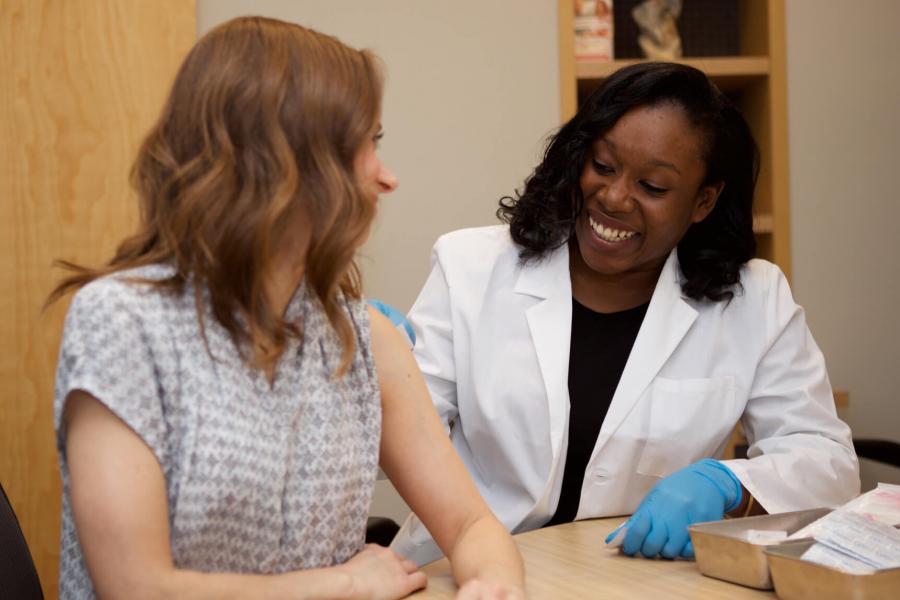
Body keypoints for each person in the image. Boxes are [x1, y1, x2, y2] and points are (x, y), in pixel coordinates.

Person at [48, 16, 524, 600]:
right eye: (368, 146)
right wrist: (348, 582)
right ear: (293, 162)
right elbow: (138, 588)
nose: (388, 178)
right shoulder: (122, 324)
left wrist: (493, 583)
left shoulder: (364, 335)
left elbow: (474, 526)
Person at [390, 62, 859, 564]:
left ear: (704, 200)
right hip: (464, 569)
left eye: (653, 186)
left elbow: (828, 462)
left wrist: (726, 482)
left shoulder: (755, 300)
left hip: (634, 578)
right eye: (603, 166)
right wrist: (368, 376)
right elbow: (394, 439)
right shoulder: (470, 267)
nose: (613, 198)